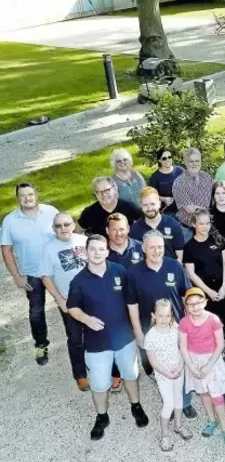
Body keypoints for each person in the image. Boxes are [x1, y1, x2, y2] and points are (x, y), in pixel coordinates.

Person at [66, 235, 148, 440]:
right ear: (85, 251)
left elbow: (132, 303)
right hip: (97, 343)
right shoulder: (79, 280)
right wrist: (86, 319)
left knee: (130, 374)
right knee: (100, 384)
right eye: (92, 249)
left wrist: (138, 331)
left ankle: (136, 406)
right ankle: (102, 416)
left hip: (124, 338)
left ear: (107, 251)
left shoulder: (119, 271)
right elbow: (72, 307)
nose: (96, 253)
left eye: (101, 249)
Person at [125, 228, 195, 424]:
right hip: (151, 332)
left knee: (180, 364)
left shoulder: (175, 266)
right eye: (152, 248)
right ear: (144, 250)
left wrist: (189, 324)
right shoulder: (133, 274)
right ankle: (170, 402)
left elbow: (186, 296)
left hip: (176, 328)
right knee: (160, 369)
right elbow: (132, 306)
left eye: (160, 247)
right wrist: (138, 332)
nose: (157, 251)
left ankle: (186, 402)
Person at [1, 183, 58, 365]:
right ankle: (41, 345)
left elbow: (66, 234)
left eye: (30, 194)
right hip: (32, 273)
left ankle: (80, 340)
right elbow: (7, 250)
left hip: (55, 270)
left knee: (69, 304)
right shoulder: (10, 221)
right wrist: (17, 276)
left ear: (36, 195)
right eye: (23, 195)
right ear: (17, 198)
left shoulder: (51, 212)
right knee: (36, 312)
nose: (27, 198)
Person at [39, 212, 88, 389]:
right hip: (69, 300)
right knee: (75, 338)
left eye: (66, 224)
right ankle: (80, 374)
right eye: (58, 226)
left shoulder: (84, 241)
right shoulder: (49, 248)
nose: (63, 228)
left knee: (99, 332)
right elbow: (45, 276)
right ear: (53, 229)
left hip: (91, 297)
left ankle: (106, 369)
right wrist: (59, 299)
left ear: (73, 225)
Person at [179, 288, 225, 446]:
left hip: (212, 360)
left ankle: (224, 427)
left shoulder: (213, 320)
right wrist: (192, 367)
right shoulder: (184, 322)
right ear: (186, 306)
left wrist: (209, 366)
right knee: (203, 393)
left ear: (205, 302)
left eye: (198, 303)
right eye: (190, 304)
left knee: (217, 396)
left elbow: (220, 344)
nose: (194, 307)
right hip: (194, 360)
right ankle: (211, 420)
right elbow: (183, 347)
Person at [143, 299, 193, 452]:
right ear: (154, 315)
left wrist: (180, 367)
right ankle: (165, 435)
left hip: (178, 370)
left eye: (167, 315)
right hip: (164, 375)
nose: (164, 319)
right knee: (169, 403)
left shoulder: (176, 328)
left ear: (171, 315)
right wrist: (167, 373)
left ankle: (178, 426)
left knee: (178, 400)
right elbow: (153, 361)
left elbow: (182, 348)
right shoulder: (150, 336)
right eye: (160, 316)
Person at [183, 209, 225, 326]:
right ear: (194, 224)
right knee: (206, 324)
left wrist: (224, 287)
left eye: (207, 223)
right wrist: (208, 292)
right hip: (203, 291)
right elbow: (191, 273)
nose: (205, 227)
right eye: (201, 224)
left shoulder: (218, 240)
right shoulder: (189, 247)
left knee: (221, 322)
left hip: (220, 289)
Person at [130, 187, 185, 261]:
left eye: (152, 204)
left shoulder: (172, 224)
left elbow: (180, 255)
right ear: (141, 206)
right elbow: (135, 256)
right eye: (145, 205)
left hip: (170, 269)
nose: (149, 208)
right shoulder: (135, 228)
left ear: (159, 204)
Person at [173, 148, 213, 240]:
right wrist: (208, 212)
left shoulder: (207, 178)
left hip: (206, 227)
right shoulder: (179, 183)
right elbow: (190, 208)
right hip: (188, 230)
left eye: (197, 161)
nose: (194, 164)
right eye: (191, 161)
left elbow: (213, 198)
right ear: (185, 162)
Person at [149, 148, 184, 215]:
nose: (167, 160)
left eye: (169, 157)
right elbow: (151, 195)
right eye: (164, 158)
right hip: (167, 212)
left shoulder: (180, 171)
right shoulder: (155, 177)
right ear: (159, 160)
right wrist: (164, 199)